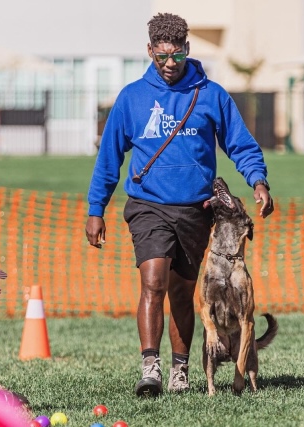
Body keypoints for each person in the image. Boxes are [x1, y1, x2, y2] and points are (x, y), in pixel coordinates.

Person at [85, 12, 274, 397]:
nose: (170, 64)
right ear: (150, 51)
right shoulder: (132, 98)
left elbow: (239, 142)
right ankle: (150, 367)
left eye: (177, 55)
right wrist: (95, 209)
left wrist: (258, 180)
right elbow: (109, 157)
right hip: (148, 205)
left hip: (194, 211)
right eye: (161, 56)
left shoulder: (211, 95)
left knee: (182, 293)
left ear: (187, 49)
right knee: (153, 280)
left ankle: (180, 368)